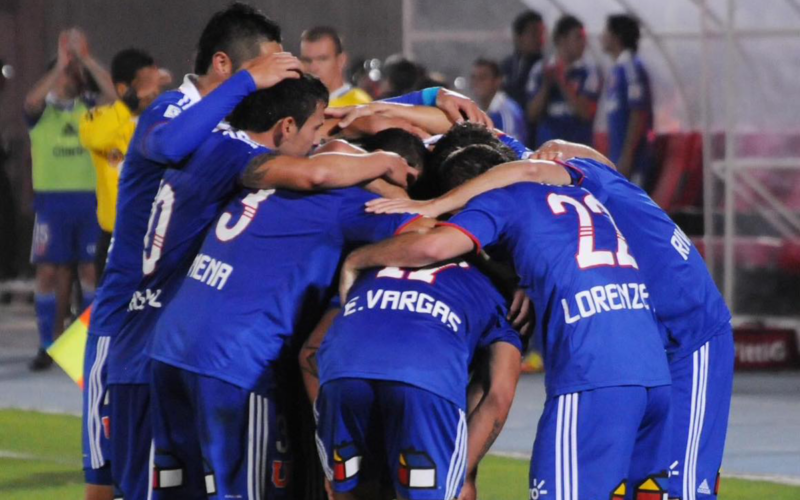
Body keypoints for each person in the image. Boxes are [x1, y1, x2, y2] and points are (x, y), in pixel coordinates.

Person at [109, 75, 417, 499]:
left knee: (179, 491)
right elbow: (431, 232)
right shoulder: (343, 199)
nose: (317, 140)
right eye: (315, 129)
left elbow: (317, 168)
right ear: (287, 127)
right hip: (232, 362)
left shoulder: (251, 173)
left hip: (168, 347)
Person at [339, 144, 672, 500]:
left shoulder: (499, 200)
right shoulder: (579, 192)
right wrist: (523, 278)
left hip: (595, 375)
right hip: (654, 371)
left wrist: (358, 259)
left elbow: (434, 248)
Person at [81, 4, 301, 498]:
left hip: (180, 338)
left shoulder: (231, 129)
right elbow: (166, 146)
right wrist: (245, 85)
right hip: (125, 327)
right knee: (107, 485)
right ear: (225, 65)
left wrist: (418, 99)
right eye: (262, 69)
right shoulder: (171, 107)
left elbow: (313, 119)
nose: (269, 82)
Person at [307, 258, 522, 500]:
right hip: (424, 374)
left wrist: (330, 425)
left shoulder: (372, 273)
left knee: (352, 492)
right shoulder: (497, 294)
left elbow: (309, 353)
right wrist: (460, 473)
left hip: (342, 370)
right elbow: (498, 392)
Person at [24, 28, 116, 371]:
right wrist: (61, 64)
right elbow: (30, 102)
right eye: (71, 71)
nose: (76, 75)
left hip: (90, 203)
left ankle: (87, 346)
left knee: (92, 272)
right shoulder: (41, 112)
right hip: (52, 205)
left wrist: (86, 59)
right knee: (49, 273)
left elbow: (115, 97)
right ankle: (47, 345)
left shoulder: (90, 108)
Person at [79, 48, 163, 281]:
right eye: (148, 84)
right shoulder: (99, 119)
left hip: (157, 238)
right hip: (115, 239)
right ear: (125, 89)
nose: (155, 90)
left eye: (157, 83)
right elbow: (95, 138)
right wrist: (127, 105)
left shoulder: (163, 120)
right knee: (111, 314)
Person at [526, 14, 600, 148]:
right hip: (547, 152)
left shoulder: (588, 71)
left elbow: (586, 113)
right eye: (578, 37)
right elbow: (532, 114)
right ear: (562, 39)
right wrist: (546, 86)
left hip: (578, 151)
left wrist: (562, 82)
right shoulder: (540, 70)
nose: (583, 43)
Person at [602, 14, 654, 187]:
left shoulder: (631, 67)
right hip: (619, 157)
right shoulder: (617, 68)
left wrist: (628, 156)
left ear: (616, 37)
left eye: (606, 31)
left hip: (633, 161)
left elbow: (638, 112)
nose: (601, 36)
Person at [501, 10, 544, 148]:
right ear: (518, 36)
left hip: (534, 138)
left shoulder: (544, 68)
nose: (539, 39)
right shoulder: (506, 66)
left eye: (541, 34)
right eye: (533, 34)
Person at [300, 26, 372, 107]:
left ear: (341, 61)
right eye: (307, 60)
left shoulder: (359, 104)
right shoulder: (296, 104)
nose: (313, 68)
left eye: (322, 59)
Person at [470, 58, 527, 144]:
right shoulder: (477, 108)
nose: (477, 82)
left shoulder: (506, 113)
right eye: (474, 77)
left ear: (497, 81)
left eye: (483, 77)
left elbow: (512, 150)